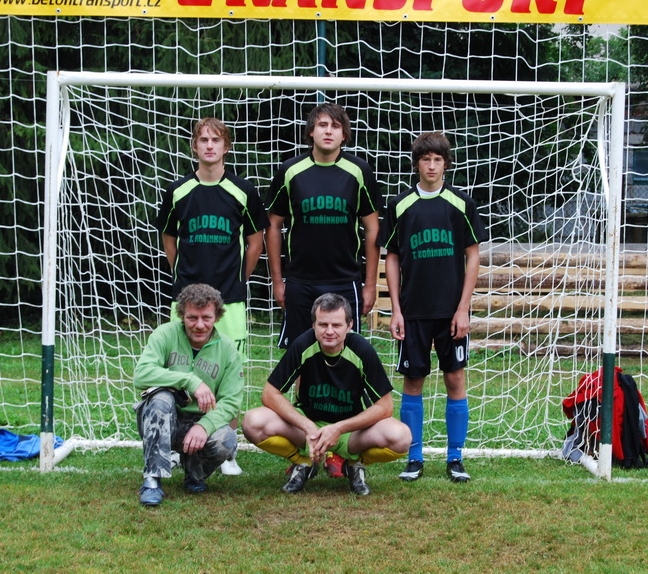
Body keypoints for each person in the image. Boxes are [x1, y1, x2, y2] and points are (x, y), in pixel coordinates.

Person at [157, 117, 268, 475]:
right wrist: (181, 275)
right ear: (194, 146)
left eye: (215, 140)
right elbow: (169, 239)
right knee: (178, 369)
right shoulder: (178, 191)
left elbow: (255, 242)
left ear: (226, 147)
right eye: (203, 139)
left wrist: (239, 278)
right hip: (185, 298)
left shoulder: (243, 190)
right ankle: (177, 445)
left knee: (229, 372)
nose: (209, 145)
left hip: (229, 298)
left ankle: (227, 450)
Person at [379, 132, 487, 483]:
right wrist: (396, 309)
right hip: (413, 311)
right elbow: (392, 257)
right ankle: (414, 457)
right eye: (425, 159)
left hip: (450, 311)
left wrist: (463, 308)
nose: (431, 165)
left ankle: (455, 457)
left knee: (455, 378)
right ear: (416, 164)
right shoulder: (399, 205)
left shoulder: (461, 204)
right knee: (413, 380)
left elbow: (473, 256)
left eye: (437, 160)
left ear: (446, 164)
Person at [242, 293, 411, 496]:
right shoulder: (303, 345)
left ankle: (352, 465)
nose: (329, 331)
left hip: (350, 432)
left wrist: (339, 428)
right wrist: (307, 426)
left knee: (401, 437)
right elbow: (270, 394)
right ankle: (304, 462)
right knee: (253, 422)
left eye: (336, 325)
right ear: (313, 325)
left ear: (349, 325)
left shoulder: (361, 349)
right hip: (309, 429)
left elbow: (385, 407)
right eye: (323, 325)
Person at [264, 103, 381, 349]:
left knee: (346, 355)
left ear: (344, 135)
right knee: (299, 356)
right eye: (322, 125)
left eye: (335, 126)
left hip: (345, 281)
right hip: (300, 281)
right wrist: (278, 281)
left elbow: (372, 229)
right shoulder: (290, 170)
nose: (328, 131)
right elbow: (273, 226)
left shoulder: (359, 171)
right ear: (311, 131)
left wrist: (370, 285)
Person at [133, 283, 244, 506]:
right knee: (161, 399)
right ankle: (152, 480)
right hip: (165, 417)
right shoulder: (165, 334)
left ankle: (194, 473)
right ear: (181, 315)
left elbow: (232, 401)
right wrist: (190, 380)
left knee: (227, 440)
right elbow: (141, 375)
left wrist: (205, 426)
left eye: (206, 318)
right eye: (192, 318)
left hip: (200, 420)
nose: (199, 325)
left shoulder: (228, 349)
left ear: (217, 316)